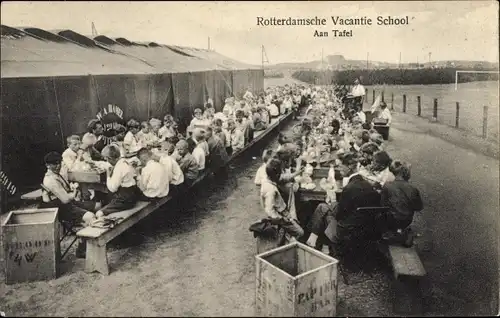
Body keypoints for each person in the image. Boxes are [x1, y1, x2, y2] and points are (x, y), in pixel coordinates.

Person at [40, 152, 97, 258]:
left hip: (68, 204)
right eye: (54, 164)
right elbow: (65, 199)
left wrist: (72, 191)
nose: (58, 166)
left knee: (98, 206)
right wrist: (74, 191)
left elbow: (67, 193)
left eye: (59, 163)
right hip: (61, 209)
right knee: (90, 216)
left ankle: (95, 240)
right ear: (47, 165)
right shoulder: (50, 179)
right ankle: (82, 248)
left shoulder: (56, 174)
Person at [260, 159, 304, 241]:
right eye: (280, 174)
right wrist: (281, 219)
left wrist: (297, 173)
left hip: (281, 211)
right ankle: (290, 244)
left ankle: (287, 236)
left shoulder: (266, 179)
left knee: (294, 220)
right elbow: (269, 210)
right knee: (300, 232)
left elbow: (284, 178)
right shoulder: (271, 189)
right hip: (280, 216)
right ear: (276, 175)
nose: (281, 176)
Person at [379, 161, 423, 238]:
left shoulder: (387, 186)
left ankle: (390, 232)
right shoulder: (412, 188)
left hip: (391, 219)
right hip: (406, 220)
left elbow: (383, 204)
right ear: (405, 173)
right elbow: (419, 207)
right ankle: (402, 232)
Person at [95, 144, 140, 218]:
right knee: (105, 198)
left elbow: (112, 188)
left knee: (99, 213)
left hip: (125, 199)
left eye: (107, 159)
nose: (107, 161)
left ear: (110, 158)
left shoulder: (119, 167)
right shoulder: (124, 161)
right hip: (133, 194)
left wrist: (108, 175)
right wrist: (95, 163)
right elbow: (107, 164)